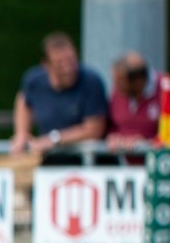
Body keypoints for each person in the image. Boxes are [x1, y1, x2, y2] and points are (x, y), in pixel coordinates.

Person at [10, 32, 107, 161]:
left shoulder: (91, 81)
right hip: (48, 161)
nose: (68, 69)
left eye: (72, 61)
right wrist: (22, 133)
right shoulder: (33, 80)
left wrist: (54, 139)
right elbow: (24, 101)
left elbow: (94, 130)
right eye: (60, 63)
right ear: (46, 64)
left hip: (83, 162)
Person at [105, 50, 160, 150]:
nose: (116, 86)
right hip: (122, 162)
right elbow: (111, 125)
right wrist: (113, 136)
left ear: (138, 81)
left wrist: (146, 142)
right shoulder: (117, 92)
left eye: (120, 81)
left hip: (156, 163)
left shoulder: (165, 89)